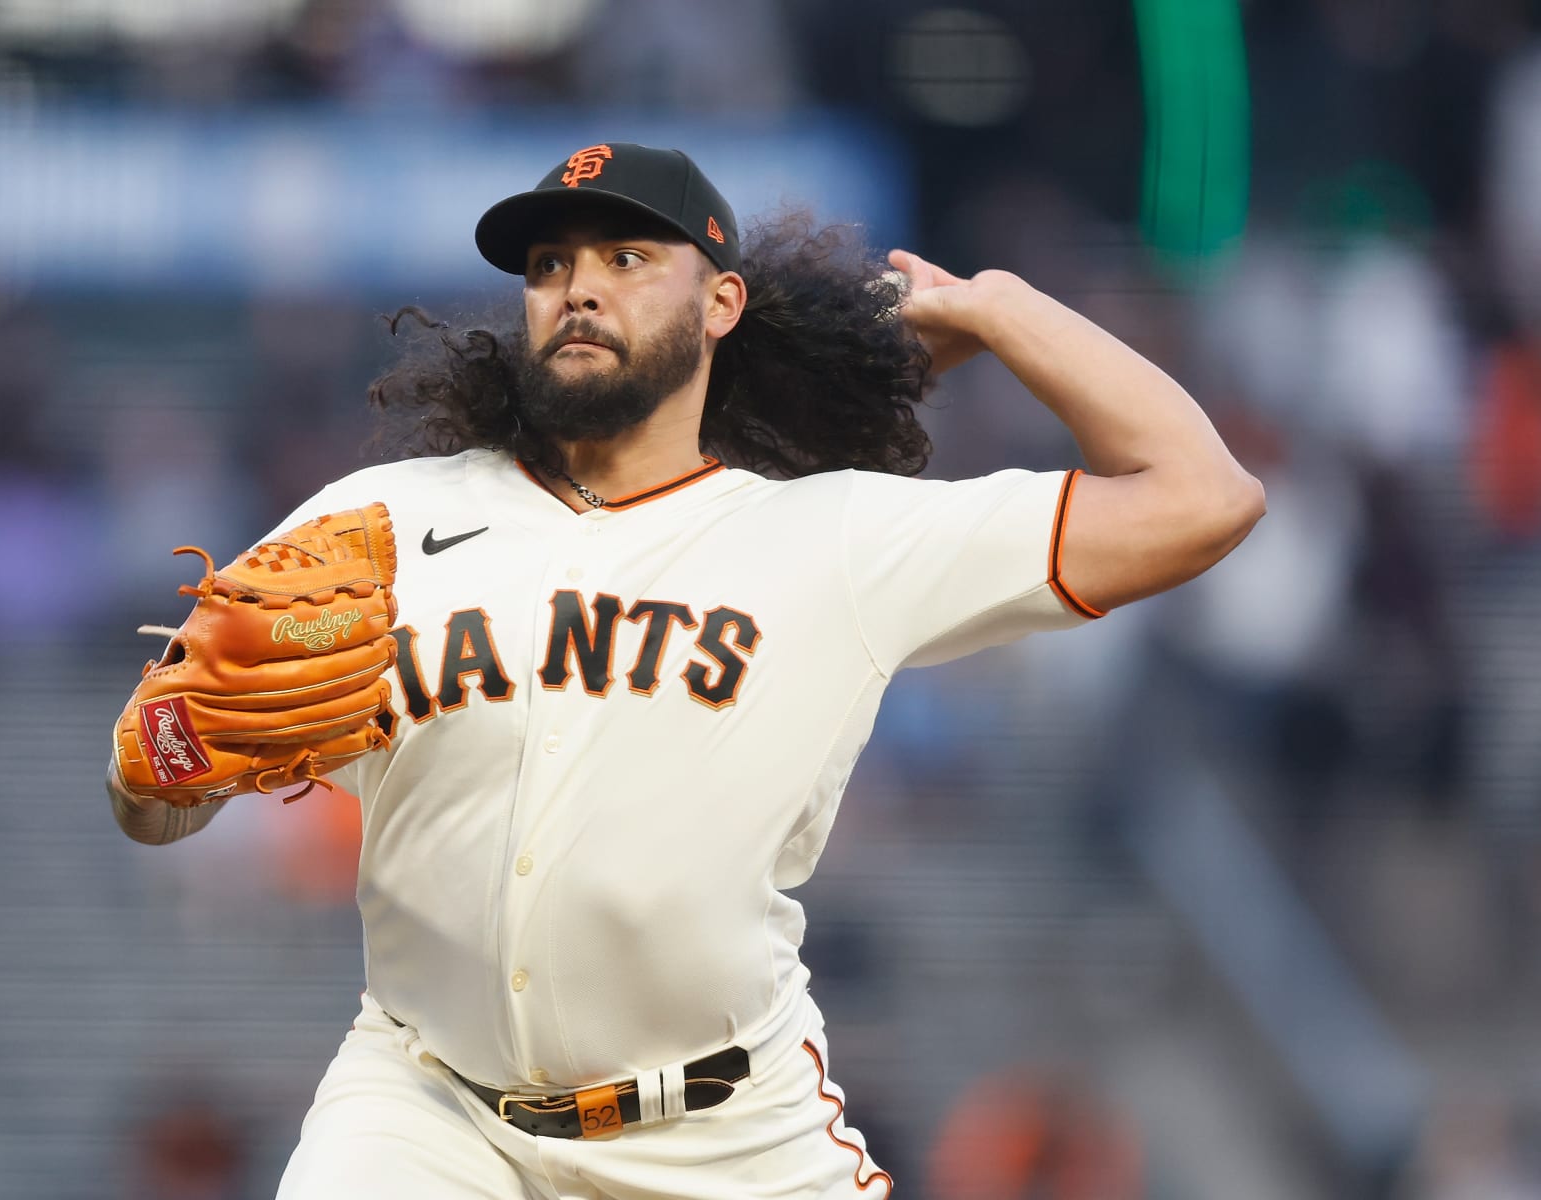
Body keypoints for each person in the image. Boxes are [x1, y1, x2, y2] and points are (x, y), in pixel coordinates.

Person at [107, 142, 1264, 1199]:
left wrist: (1007, 312)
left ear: (723, 303)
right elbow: (156, 795)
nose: (580, 285)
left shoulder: (840, 538)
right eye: (550, 263)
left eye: (626, 255)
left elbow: (1203, 500)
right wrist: (163, 768)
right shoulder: (379, 525)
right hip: (425, 1111)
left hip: (725, 1133)